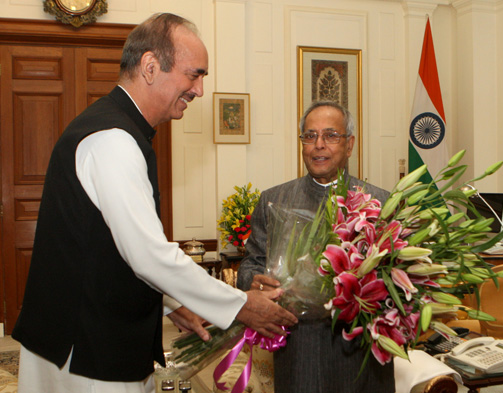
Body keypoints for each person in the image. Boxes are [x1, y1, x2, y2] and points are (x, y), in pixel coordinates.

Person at [12, 13, 297, 393]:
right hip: (88, 353)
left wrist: (167, 302)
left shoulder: (115, 127)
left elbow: (106, 250)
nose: (198, 90)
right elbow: (147, 254)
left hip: (86, 342)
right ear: (150, 67)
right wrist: (241, 304)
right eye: (193, 75)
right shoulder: (113, 139)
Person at [237, 101, 395, 393]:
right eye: (310, 136)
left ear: (349, 145)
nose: (318, 145)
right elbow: (250, 264)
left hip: (362, 353)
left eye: (331, 136)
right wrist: (253, 280)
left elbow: (399, 282)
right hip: (299, 350)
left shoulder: (381, 203)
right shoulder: (274, 201)